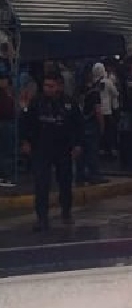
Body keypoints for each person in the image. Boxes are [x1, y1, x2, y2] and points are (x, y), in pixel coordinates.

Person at [21, 73, 83, 231]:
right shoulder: (37, 102)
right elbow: (27, 122)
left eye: (51, 86)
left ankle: (66, 211)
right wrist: (25, 141)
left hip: (63, 149)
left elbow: (78, 125)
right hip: (41, 148)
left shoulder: (69, 103)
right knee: (41, 183)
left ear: (59, 86)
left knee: (65, 182)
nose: (47, 89)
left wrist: (77, 145)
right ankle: (42, 218)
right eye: (45, 85)